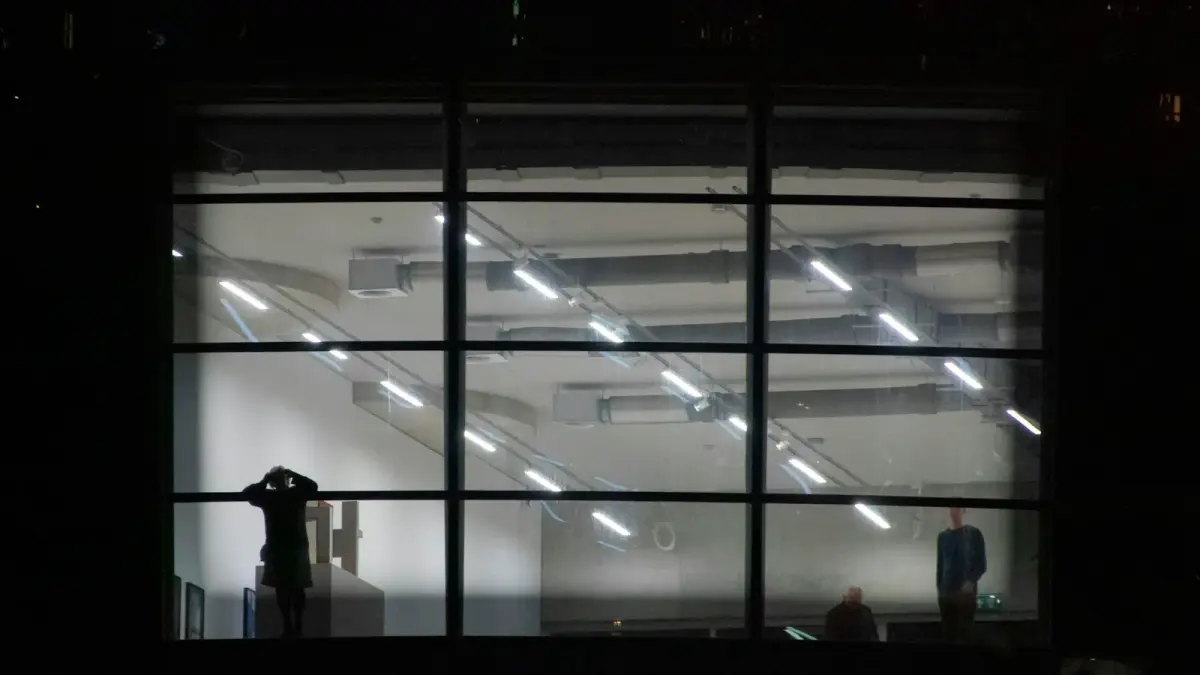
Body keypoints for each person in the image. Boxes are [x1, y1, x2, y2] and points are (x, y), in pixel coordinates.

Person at [245, 466, 319, 638]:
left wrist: (265, 480)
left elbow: (249, 494)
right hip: (291, 547)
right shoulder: (293, 495)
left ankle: (292, 626)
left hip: (283, 547)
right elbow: (312, 486)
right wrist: (293, 475)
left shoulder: (271, 497)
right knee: (292, 588)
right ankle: (294, 627)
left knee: (286, 588)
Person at [936, 506, 987, 643]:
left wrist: (970, 582)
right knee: (949, 635)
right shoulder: (943, 537)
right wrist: (940, 593)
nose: (954, 512)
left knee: (965, 636)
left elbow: (981, 564)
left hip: (966, 596)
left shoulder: (973, 534)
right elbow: (940, 566)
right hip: (947, 595)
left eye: (957, 509)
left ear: (963, 511)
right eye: (952, 509)